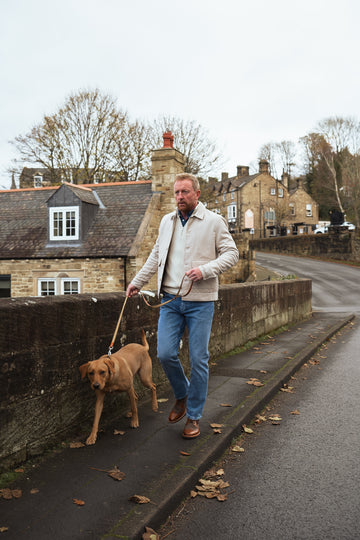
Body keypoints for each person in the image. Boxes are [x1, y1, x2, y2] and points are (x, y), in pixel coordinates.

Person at [126, 173, 239, 439]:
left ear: (197, 194)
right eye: (176, 192)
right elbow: (156, 256)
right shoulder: (167, 221)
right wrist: (137, 282)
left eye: (185, 192)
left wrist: (206, 270)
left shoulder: (214, 222)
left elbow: (232, 254)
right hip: (170, 300)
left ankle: (194, 416)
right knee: (165, 353)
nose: (179, 197)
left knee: (199, 359)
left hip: (201, 302)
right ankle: (183, 395)